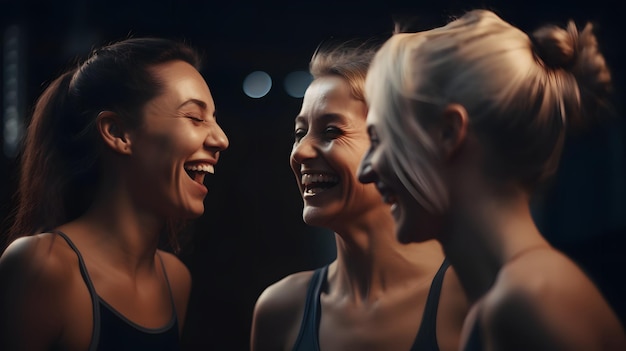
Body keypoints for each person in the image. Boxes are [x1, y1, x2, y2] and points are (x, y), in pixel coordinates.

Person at [357, 9, 626, 350]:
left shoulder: (529, 302)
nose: (364, 170)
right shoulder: (513, 299)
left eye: (379, 139)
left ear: (448, 133)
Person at [0, 37, 229, 350]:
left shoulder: (175, 281)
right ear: (117, 132)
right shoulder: (42, 267)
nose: (221, 139)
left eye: (214, 119)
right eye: (195, 117)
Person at [250, 43, 468, 351]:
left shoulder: (475, 301)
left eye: (331, 132)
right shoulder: (282, 310)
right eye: (299, 133)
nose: (300, 151)